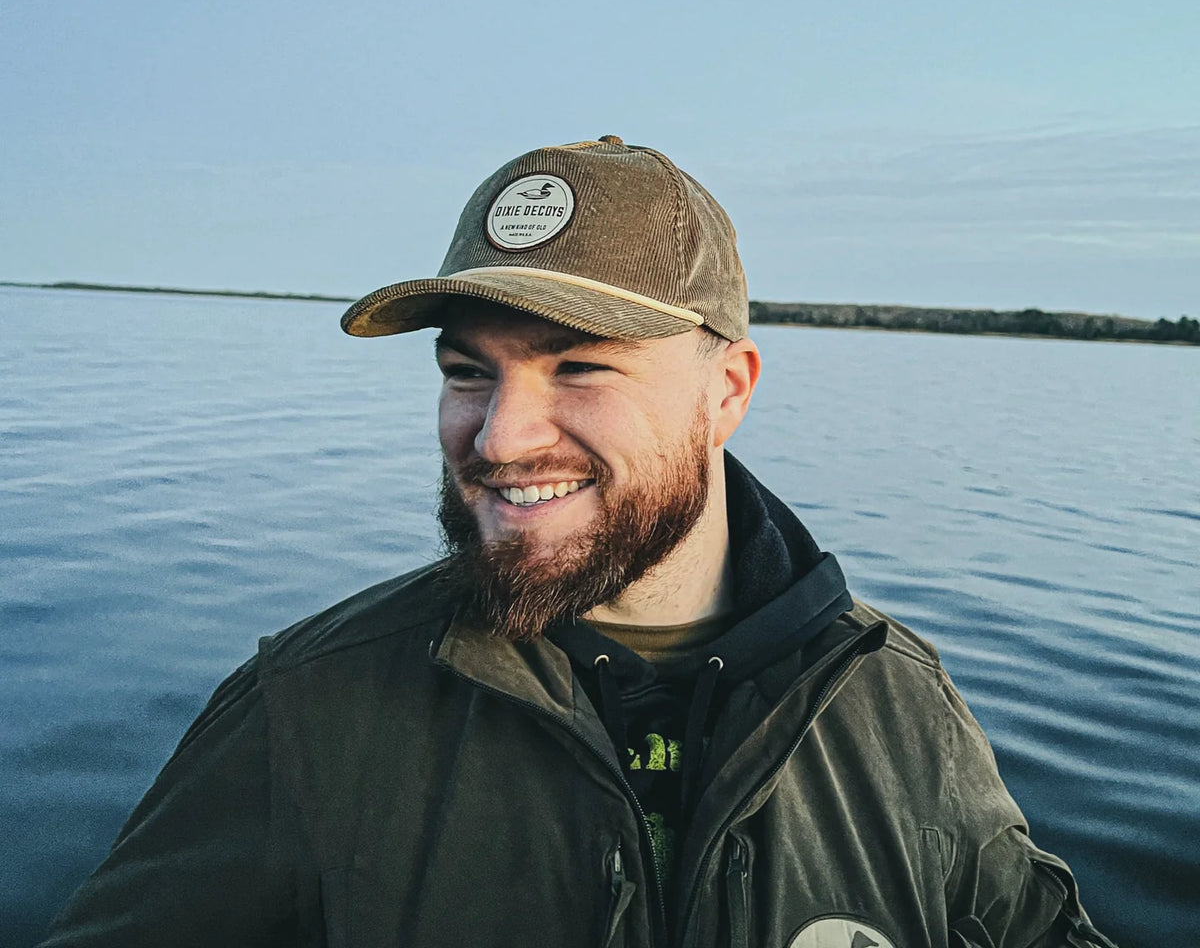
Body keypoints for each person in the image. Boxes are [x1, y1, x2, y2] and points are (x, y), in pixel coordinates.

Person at [41, 136, 1116, 948]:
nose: (499, 437)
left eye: (580, 366)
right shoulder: (308, 706)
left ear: (728, 390)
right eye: (468, 371)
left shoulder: (895, 706)